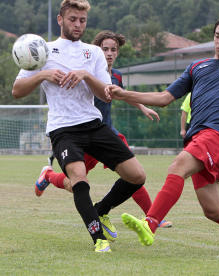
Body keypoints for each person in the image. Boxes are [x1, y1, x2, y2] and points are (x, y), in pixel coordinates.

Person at [107, 13, 219, 249]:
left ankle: (150, 224)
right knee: (213, 211)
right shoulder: (196, 67)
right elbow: (163, 98)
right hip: (196, 138)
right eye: (217, 36)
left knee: (177, 167)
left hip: (217, 135)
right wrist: (124, 94)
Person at [12, 0, 148, 253]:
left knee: (137, 176)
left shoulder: (93, 52)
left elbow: (106, 94)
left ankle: (100, 210)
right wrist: (43, 74)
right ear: (60, 19)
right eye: (73, 19)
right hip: (63, 130)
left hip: (93, 125)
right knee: (79, 179)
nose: (78, 25)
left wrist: (86, 75)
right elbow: (17, 91)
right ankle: (99, 240)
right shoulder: (42, 50)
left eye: (82, 21)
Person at [35, 30, 172, 228]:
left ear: (118, 52)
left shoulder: (115, 75)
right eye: (104, 49)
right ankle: (48, 175)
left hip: (106, 133)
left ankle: (152, 217)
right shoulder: (83, 69)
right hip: (83, 134)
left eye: (113, 49)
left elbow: (122, 94)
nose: (109, 53)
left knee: (132, 174)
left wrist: (142, 106)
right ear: (96, 51)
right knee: (75, 185)